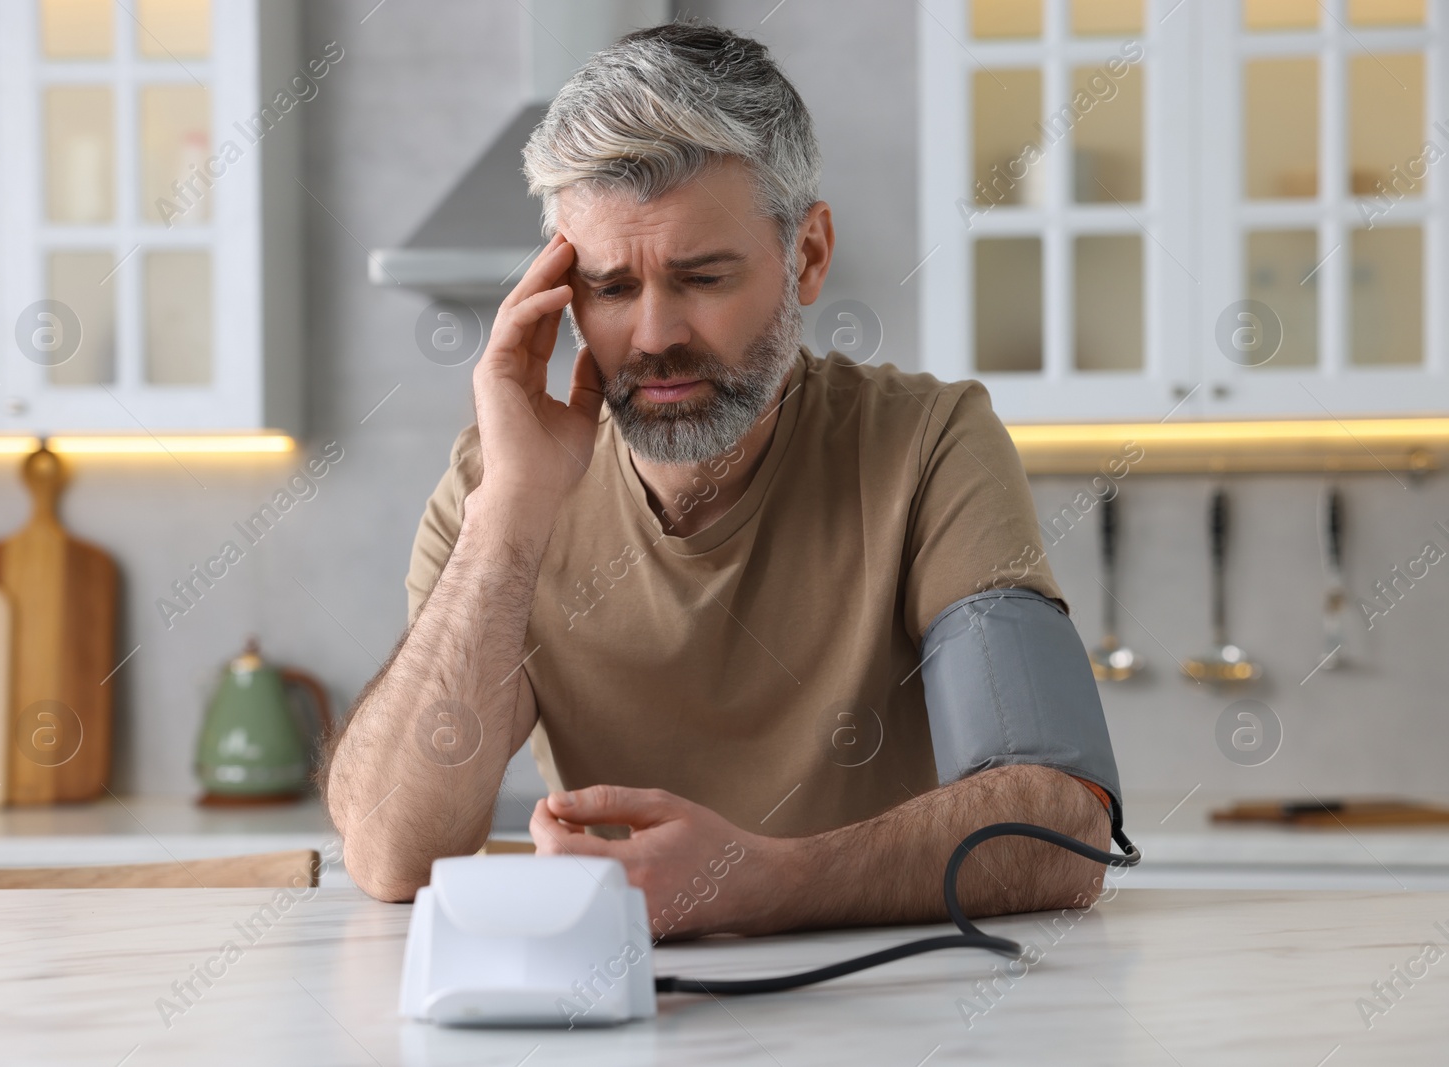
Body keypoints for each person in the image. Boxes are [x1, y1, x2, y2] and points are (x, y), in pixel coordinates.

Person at [323, 21, 1123, 939]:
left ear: (807, 256)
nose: (655, 334)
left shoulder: (929, 445)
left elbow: (1060, 826)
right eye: (612, 288)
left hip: (904, 1015)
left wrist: (758, 880)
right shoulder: (496, 483)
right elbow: (390, 852)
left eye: (702, 276)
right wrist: (508, 516)